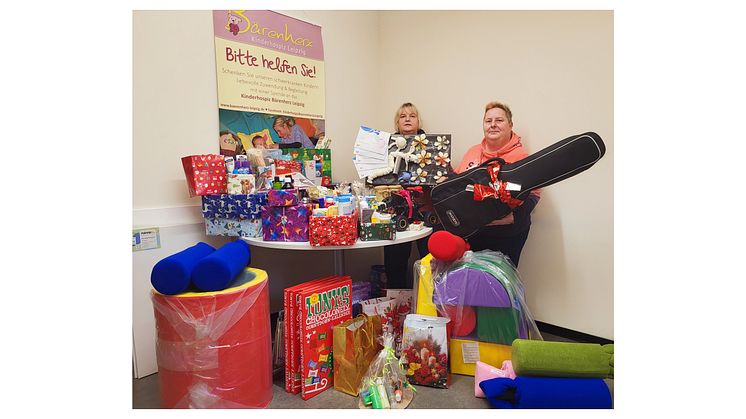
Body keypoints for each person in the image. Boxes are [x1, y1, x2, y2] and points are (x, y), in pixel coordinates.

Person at [452, 101, 541, 266]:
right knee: (474, 282)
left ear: (510, 125)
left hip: (506, 237)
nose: (493, 125)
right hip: (473, 234)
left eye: (499, 120)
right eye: (488, 121)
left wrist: (513, 217)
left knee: (500, 285)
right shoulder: (473, 151)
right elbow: (456, 184)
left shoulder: (520, 157)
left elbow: (534, 195)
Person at [383, 102, 434, 290]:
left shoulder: (431, 145)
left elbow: (442, 171)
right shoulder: (386, 147)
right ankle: (396, 305)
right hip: (396, 206)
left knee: (430, 259)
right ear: (397, 123)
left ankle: (429, 304)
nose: (407, 119)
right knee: (394, 261)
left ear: (418, 121)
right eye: (402, 116)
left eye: (412, 116)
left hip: (424, 206)